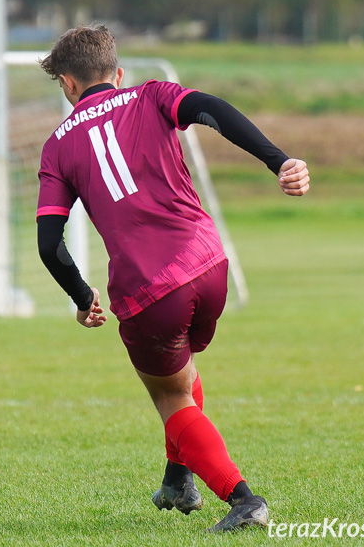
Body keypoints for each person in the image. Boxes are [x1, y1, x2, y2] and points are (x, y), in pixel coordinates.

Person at [35, 26, 310, 532]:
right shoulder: (153, 94)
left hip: (148, 288)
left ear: (68, 85)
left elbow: (49, 243)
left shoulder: (57, 146)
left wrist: (82, 295)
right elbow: (216, 110)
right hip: (209, 265)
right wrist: (279, 160)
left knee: (169, 395)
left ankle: (243, 499)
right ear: (118, 74)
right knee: (180, 372)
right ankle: (177, 480)